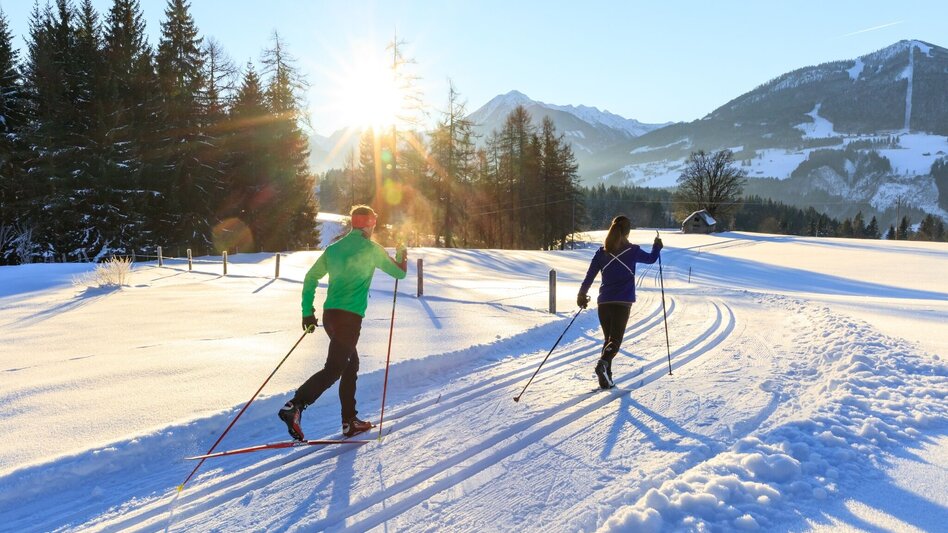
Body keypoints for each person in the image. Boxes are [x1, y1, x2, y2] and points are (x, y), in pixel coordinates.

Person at [279, 205, 407, 439]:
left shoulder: (334, 249)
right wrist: (401, 254)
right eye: (374, 221)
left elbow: (310, 277)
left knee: (350, 364)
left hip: (330, 316)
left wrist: (307, 312)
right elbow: (399, 273)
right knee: (335, 368)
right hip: (350, 318)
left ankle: (350, 421)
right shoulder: (372, 249)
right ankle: (295, 405)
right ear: (369, 224)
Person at [577, 216, 662, 389]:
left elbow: (589, 276)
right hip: (622, 302)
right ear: (628, 232)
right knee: (615, 340)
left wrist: (582, 294)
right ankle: (603, 363)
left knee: (608, 339)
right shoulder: (633, 250)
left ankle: (606, 377)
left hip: (604, 302)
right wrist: (657, 246)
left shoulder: (601, 252)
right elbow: (651, 259)